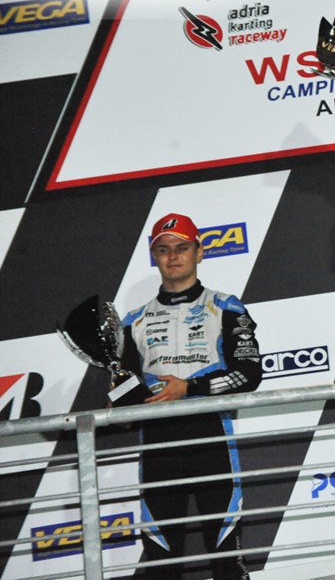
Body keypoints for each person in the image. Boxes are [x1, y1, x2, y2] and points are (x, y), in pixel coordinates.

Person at [119, 212, 262, 580]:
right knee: (161, 561)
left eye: (182, 247)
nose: (173, 256)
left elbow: (249, 374)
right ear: (155, 256)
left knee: (227, 559)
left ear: (199, 252)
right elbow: (124, 389)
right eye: (163, 249)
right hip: (158, 442)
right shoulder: (133, 321)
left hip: (210, 435)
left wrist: (189, 389)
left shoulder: (225, 306)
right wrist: (119, 404)